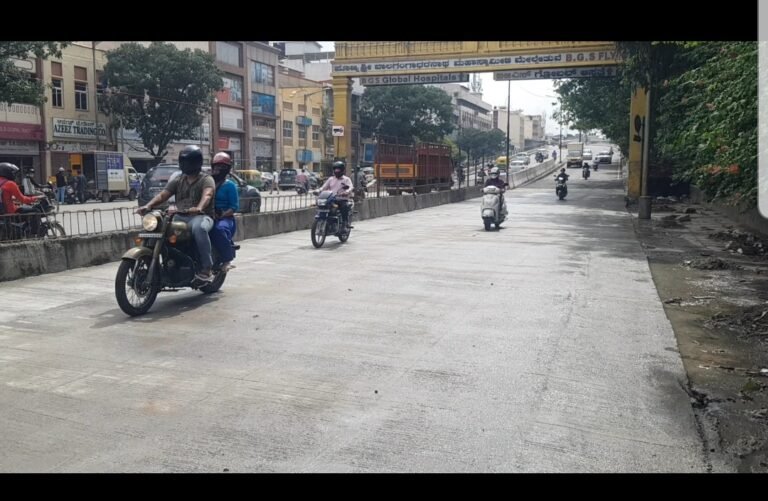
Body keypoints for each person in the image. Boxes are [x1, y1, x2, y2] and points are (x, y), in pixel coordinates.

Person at [136, 145, 216, 283]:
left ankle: (206, 268)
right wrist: (148, 206)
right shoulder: (179, 180)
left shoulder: (206, 179)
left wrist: (199, 207)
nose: (185, 164)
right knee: (156, 226)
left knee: (199, 229)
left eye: (188, 161)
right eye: (183, 161)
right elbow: (163, 195)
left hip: (201, 216)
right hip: (180, 216)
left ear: (196, 162)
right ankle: (161, 262)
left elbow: (207, 195)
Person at [209, 152, 239, 272]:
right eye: (216, 166)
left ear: (227, 169)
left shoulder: (230, 186)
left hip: (225, 219)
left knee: (219, 229)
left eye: (221, 167)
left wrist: (222, 214)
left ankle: (227, 259)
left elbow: (234, 207)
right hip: (208, 215)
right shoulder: (208, 183)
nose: (218, 170)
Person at [0, 162, 45, 236]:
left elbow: (4, 198)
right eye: (13, 173)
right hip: (11, 214)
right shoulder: (10, 184)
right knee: (36, 211)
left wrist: (13, 200)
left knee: (24, 208)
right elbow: (23, 199)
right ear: (7, 173)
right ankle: (34, 234)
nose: (15, 175)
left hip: (2, 213)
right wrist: (36, 198)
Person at [318, 160, 353, 231]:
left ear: (342, 170)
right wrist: (318, 190)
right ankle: (326, 221)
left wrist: (346, 192)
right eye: (335, 170)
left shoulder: (346, 179)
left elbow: (350, 187)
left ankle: (344, 223)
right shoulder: (331, 179)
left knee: (344, 206)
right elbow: (324, 187)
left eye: (338, 170)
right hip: (331, 199)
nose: (336, 171)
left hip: (342, 199)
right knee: (323, 206)